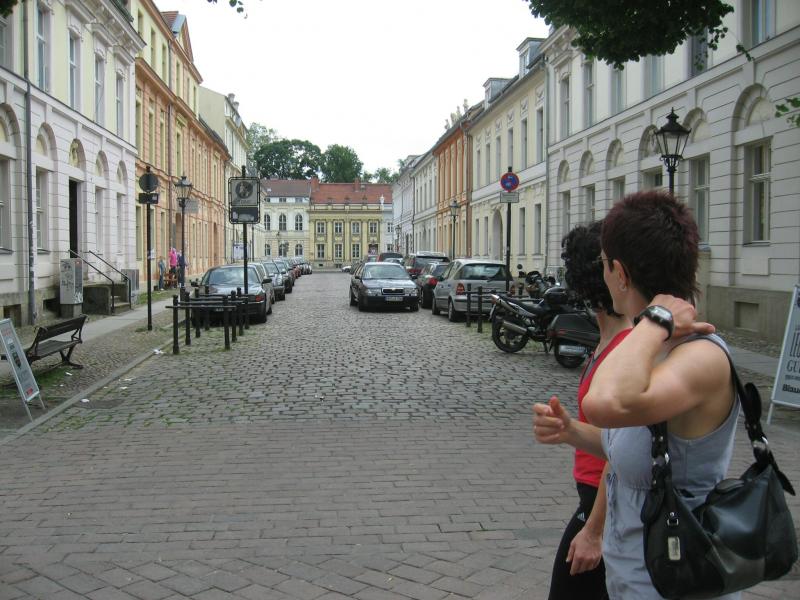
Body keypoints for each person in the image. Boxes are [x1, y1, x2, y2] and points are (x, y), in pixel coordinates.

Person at [536, 190, 738, 599]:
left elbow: (606, 404)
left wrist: (653, 321)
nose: (603, 274)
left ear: (620, 273)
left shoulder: (699, 356)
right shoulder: (654, 347)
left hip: (675, 584)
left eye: (604, 263)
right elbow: (628, 447)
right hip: (633, 579)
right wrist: (572, 432)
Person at [534, 222, 631, 600]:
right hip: (595, 499)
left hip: (604, 503)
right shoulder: (608, 338)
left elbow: (623, 448)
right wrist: (569, 429)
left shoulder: (624, 347)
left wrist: (594, 529)